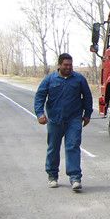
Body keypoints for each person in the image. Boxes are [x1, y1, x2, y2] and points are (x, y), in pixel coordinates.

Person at [34, 53, 93, 192]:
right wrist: (40, 113)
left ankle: (75, 178)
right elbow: (40, 97)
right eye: (65, 65)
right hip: (55, 120)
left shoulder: (79, 79)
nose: (68, 67)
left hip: (74, 119)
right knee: (53, 148)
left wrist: (87, 114)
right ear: (59, 65)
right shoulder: (49, 80)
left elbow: (88, 97)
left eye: (70, 65)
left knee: (72, 146)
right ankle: (52, 176)